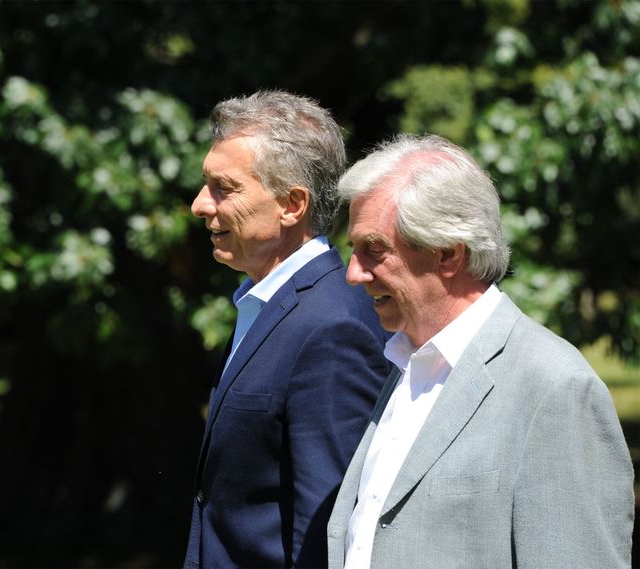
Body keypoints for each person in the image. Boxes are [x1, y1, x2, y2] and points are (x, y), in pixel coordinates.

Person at [327, 133, 634, 569]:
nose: (354, 274)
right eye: (352, 251)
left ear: (449, 255)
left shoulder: (556, 388)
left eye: (374, 250)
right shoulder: (405, 364)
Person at [183, 90, 390, 568]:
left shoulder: (332, 327)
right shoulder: (269, 305)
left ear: (292, 205)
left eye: (223, 187)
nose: (198, 205)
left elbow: (328, 528)